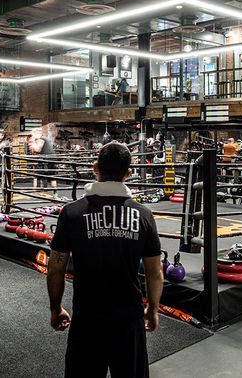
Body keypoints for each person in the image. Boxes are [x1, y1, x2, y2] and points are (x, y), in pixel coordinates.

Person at [47, 142, 164, 378]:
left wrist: (55, 308)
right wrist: (153, 309)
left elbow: (55, 267)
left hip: (88, 318)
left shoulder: (72, 212)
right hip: (129, 320)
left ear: (95, 168)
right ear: (128, 173)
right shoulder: (144, 215)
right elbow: (154, 272)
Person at [29, 126, 59, 197]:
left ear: (36, 133)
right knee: (52, 176)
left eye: (32, 135)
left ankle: (34, 193)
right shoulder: (46, 138)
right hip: (51, 158)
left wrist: (32, 143)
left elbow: (37, 149)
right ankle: (55, 193)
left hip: (46, 159)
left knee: (36, 175)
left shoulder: (41, 139)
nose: (32, 136)